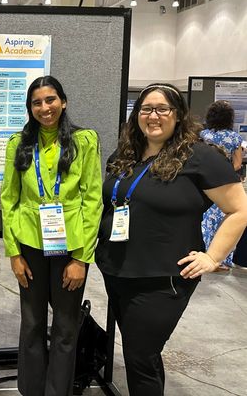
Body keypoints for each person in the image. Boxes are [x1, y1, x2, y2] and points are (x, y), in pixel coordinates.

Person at [95, 83, 247, 396]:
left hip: (163, 278)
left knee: (140, 355)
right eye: (146, 109)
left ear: (177, 115)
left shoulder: (201, 156)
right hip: (118, 271)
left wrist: (213, 257)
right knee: (142, 355)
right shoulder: (126, 154)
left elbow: (239, 210)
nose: (153, 115)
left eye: (162, 109)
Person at [0, 75, 103, 396]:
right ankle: (31, 390)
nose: (44, 107)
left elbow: (92, 200)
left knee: (65, 327)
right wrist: (14, 254)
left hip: (70, 249)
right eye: (37, 102)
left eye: (50, 100)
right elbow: (8, 199)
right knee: (31, 324)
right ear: (30, 108)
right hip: (29, 246)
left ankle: (57, 391)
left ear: (63, 102)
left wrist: (81, 258)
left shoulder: (84, 141)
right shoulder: (18, 144)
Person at [200, 100, 244, 270]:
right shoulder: (235, 137)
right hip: (225, 184)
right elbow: (238, 163)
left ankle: (204, 253)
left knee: (205, 220)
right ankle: (222, 259)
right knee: (226, 219)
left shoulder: (203, 135)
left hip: (204, 183)